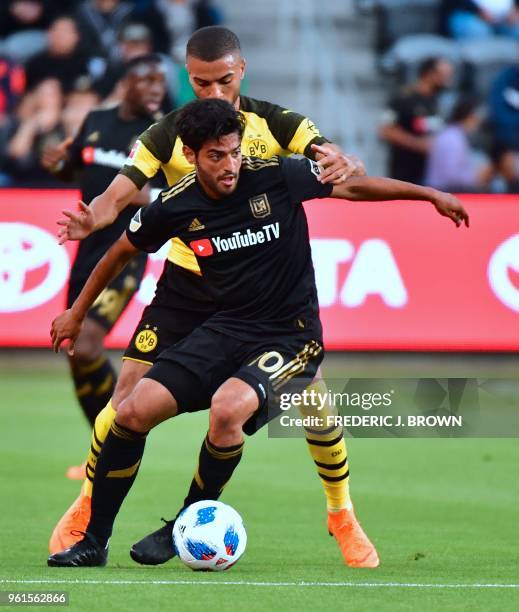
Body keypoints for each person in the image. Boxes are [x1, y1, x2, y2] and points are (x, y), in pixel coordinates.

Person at [47, 98, 469, 568]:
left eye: (233, 152)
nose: (229, 166)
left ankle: (187, 521)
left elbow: (354, 187)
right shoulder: (175, 204)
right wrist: (76, 313)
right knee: (132, 411)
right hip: (226, 326)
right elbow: (120, 250)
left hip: (292, 335)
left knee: (228, 411)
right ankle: (94, 541)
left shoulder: (278, 177)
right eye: (216, 156)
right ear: (190, 155)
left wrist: (429, 194)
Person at [48, 25, 369, 568]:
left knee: (312, 392)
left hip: (260, 287)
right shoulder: (168, 132)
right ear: (187, 78)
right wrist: (94, 216)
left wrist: (346, 161)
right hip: (189, 284)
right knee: (125, 400)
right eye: (199, 83)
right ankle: (87, 511)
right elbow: (120, 193)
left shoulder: (276, 121)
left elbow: (330, 157)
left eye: (222, 80)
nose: (213, 93)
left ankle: (341, 513)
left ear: (240, 71)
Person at [40, 54, 166, 475]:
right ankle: (100, 442)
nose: (154, 88)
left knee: (90, 341)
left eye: (159, 81)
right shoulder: (96, 119)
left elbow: (172, 194)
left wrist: (120, 198)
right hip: (86, 252)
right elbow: (71, 167)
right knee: (76, 350)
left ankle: (121, 433)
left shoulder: (162, 134)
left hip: (126, 253)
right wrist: (56, 161)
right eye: (145, 80)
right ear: (125, 83)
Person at [379, 57, 453, 184]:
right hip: (404, 171)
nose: (448, 80)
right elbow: (385, 131)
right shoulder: (403, 98)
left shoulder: (437, 101)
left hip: (431, 173)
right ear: (429, 74)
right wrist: (417, 144)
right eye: (444, 75)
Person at [425, 96, 493, 192]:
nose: (479, 122)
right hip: (443, 192)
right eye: (476, 117)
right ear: (469, 116)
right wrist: (477, 176)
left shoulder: (454, 135)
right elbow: (451, 177)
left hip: (444, 191)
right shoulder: (452, 139)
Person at [440, 0, 519, 40]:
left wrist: (516, 9)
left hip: (506, 18)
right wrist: (477, 10)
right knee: (475, 30)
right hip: (469, 13)